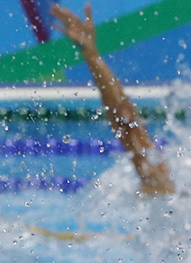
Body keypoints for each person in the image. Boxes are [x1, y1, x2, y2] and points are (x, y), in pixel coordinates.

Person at [51, 3, 174, 198]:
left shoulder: (170, 194)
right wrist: (91, 55)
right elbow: (127, 123)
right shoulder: (166, 190)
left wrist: (91, 54)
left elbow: (128, 126)